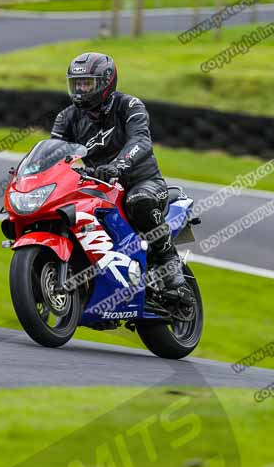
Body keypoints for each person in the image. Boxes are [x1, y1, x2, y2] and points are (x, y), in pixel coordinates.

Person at [50, 52, 189, 298]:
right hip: (99, 186)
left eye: (87, 83)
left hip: (142, 181)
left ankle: (169, 263)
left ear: (105, 82)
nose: (80, 90)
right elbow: (54, 152)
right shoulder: (67, 117)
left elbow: (141, 140)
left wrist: (118, 165)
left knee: (139, 202)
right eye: (77, 84)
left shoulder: (129, 105)